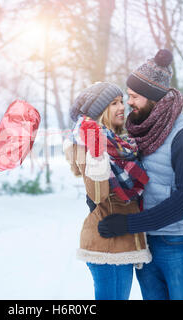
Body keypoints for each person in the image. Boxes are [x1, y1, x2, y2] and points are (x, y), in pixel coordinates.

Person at [97, 49, 183, 300]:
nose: (129, 103)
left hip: (180, 242)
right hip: (145, 242)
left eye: (134, 96)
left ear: (154, 98)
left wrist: (127, 225)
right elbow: (127, 177)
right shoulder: (138, 131)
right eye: (128, 96)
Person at [63, 82, 152, 300]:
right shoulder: (87, 145)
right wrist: (96, 153)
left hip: (123, 241)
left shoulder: (122, 143)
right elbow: (97, 194)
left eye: (121, 101)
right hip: (107, 245)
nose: (122, 107)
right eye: (114, 103)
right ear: (100, 111)